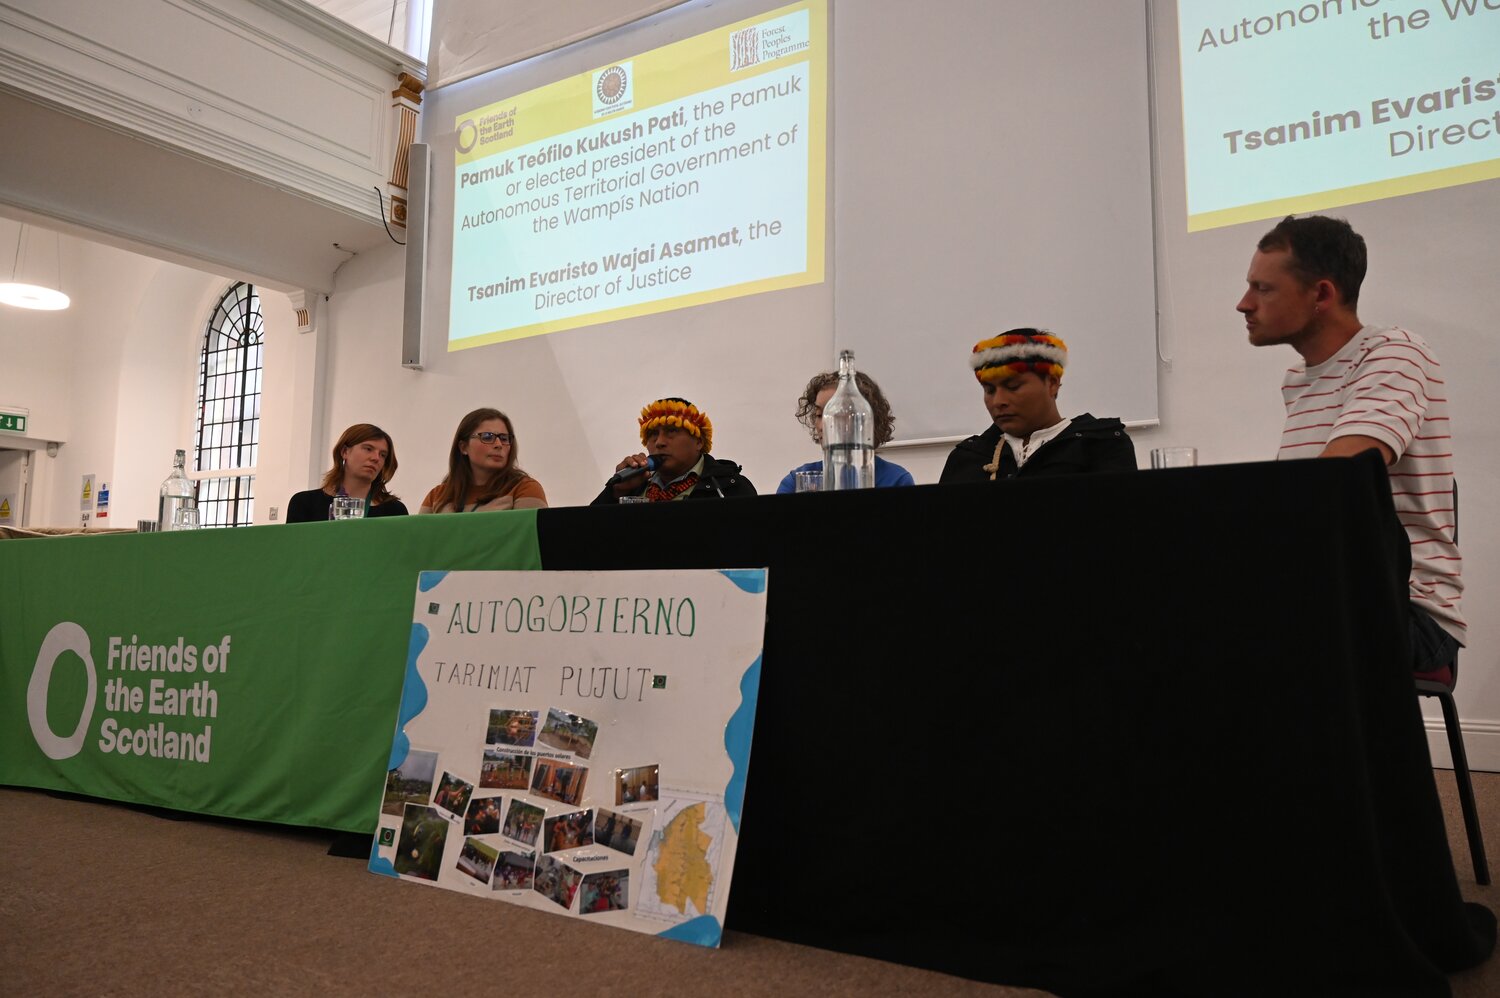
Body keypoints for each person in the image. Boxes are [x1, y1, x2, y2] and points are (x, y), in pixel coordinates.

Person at [1238, 214, 1463, 672]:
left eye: (1263, 289)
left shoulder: (1394, 352)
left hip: (1409, 609)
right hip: (1326, 587)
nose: (1244, 304)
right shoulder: (1298, 381)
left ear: (1321, 294)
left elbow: (1337, 484)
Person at [939, 329, 1136, 482]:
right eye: (989, 390)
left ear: (1052, 383)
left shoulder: (1102, 445)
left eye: (1013, 387)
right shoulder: (967, 458)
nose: (998, 401)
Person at [592, 397, 755, 503]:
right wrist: (616, 492)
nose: (660, 442)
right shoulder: (632, 484)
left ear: (698, 441)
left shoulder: (731, 488)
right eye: (653, 434)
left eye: (672, 431)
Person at [776, 370, 915, 493]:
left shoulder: (897, 481)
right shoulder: (797, 482)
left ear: (864, 418)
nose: (823, 424)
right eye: (819, 415)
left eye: (835, 413)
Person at [420, 408, 547, 513]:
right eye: (487, 437)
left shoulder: (524, 489)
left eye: (504, 438)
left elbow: (528, 540)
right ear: (463, 447)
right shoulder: (437, 496)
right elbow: (421, 542)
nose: (498, 444)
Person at [285, 423, 408, 522]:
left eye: (383, 455)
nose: (376, 458)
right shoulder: (305, 503)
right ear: (345, 452)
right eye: (368, 449)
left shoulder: (395, 511)